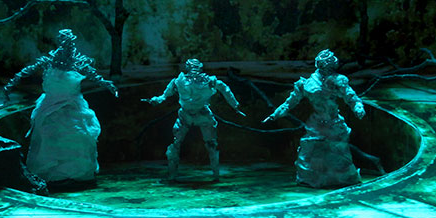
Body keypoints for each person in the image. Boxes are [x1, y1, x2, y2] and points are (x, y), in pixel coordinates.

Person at [4, 29, 117, 184]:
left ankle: (76, 174)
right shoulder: (50, 60)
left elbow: (96, 77)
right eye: (64, 40)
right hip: (50, 106)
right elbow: (26, 71)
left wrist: (109, 85)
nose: (67, 44)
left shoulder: (79, 63)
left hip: (73, 106)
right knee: (50, 134)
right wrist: (10, 85)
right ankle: (52, 174)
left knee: (77, 135)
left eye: (70, 41)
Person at [263, 49, 366, 188]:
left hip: (333, 123)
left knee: (338, 154)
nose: (329, 67)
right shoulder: (306, 84)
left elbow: (351, 97)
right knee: (312, 153)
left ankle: (339, 179)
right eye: (326, 64)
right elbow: (289, 103)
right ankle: (315, 179)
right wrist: (275, 115)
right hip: (317, 124)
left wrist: (358, 107)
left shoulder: (338, 80)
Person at [147, 58, 242, 181]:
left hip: (202, 113)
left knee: (211, 144)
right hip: (185, 115)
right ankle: (172, 175)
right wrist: (156, 99)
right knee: (176, 143)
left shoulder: (209, 81)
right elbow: (164, 96)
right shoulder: (178, 81)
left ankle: (216, 175)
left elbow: (224, 89)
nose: (193, 69)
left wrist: (235, 105)